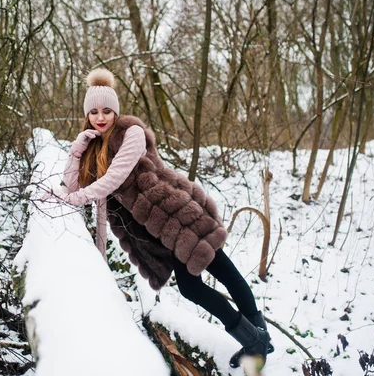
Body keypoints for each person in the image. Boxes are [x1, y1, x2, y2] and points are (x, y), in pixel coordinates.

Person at [49, 68, 273, 369]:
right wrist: (77, 149)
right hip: (158, 229)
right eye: (93, 112)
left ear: (116, 111)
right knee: (206, 278)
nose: (100, 117)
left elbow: (114, 178)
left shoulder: (132, 133)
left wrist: (74, 198)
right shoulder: (92, 146)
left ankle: (256, 341)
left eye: (106, 110)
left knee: (217, 274)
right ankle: (257, 340)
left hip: (178, 214)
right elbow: (73, 185)